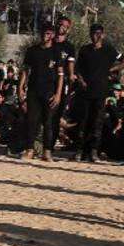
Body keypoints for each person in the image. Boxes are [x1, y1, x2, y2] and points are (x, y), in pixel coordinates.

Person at [73, 23, 123, 162]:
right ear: (90, 34)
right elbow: (78, 68)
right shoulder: (84, 50)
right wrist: (81, 81)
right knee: (83, 122)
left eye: (99, 33)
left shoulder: (109, 50)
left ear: (103, 34)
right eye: (94, 33)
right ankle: (79, 150)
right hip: (85, 91)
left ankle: (94, 151)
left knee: (97, 123)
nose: (96, 36)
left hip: (101, 92)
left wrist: (112, 70)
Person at [19, 23, 64, 161]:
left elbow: (61, 75)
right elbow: (26, 70)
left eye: (49, 33)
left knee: (49, 123)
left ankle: (47, 151)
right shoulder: (32, 51)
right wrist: (20, 88)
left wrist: (58, 94)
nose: (46, 35)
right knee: (32, 121)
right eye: (44, 32)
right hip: (33, 90)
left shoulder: (57, 52)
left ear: (53, 35)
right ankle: (29, 150)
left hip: (50, 92)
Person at [50, 16, 77, 150]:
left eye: (65, 25)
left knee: (56, 115)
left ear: (68, 29)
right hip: (47, 81)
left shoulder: (69, 47)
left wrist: (71, 75)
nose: (62, 27)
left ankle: (50, 144)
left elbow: (71, 63)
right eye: (60, 24)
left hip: (62, 83)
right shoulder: (49, 42)